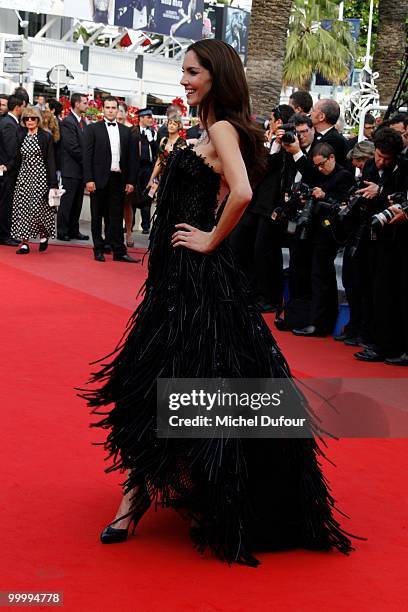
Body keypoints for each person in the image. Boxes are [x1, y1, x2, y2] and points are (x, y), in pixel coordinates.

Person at [83, 39, 353, 567]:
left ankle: (135, 498)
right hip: (173, 280)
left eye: (191, 72)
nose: (182, 80)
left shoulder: (224, 130)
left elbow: (244, 192)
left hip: (199, 283)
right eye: (182, 72)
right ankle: (144, 491)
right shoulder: (205, 129)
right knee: (164, 382)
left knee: (178, 382)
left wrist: (209, 238)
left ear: (216, 76)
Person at [291, 142, 355, 337]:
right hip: (313, 229)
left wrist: (324, 195)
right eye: (316, 165)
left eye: (322, 164)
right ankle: (314, 318)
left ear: (332, 158)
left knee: (321, 275)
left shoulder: (344, 176)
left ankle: (319, 322)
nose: (319, 169)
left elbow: (345, 204)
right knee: (314, 274)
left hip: (329, 232)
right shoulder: (317, 174)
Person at [83, 96, 140, 263]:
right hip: (98, 179)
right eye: (107, 107)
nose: (110, 110)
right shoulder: (93, 129)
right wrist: (89, 179)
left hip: (118, 179)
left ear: (118, 110)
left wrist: (131, 181)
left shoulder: (125, 131)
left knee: (115, 216)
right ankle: (98, 249)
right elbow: (87, 157)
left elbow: (132, 159)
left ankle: (118, 251)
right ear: (103, 109)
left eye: (113, 108)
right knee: (97, 215)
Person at [11, 106, 58, 254]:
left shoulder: (46, 136)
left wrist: (53, 184)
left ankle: (43, 234)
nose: (30, 121)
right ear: (24, 120)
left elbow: (51, 161)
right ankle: (24, 243)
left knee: (39, 209)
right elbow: (16, 158)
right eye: (27, 118)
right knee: (23, 209)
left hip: (40, 177)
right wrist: (6, 167)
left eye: (33, 118)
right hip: (24, 177)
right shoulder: (20, 135)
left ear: (38, 120)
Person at [57, 93, 89, 242]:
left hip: (80, 170)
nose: (86, 105)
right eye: (84, 102)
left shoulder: (82, 122)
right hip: (71, 169)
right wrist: (87, 161)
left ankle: (73, 230)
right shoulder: (68, 122)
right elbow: (72, 147)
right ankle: (63, 231)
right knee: (67, 202)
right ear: (76, 104)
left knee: (77, 203)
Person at [0, 95, 25, 247]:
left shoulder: (8, 122)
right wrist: (9, 166)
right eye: (24, 106)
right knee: (5, 204)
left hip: (7, 171)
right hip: (8, 172)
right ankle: (4, 235)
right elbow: (11, 150)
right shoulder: (9, 124)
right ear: (18, 107)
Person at [146, 115, 186, 193]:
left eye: (174, 124)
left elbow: (181, 166)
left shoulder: (182, 143)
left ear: (179, 126)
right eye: (170, 123)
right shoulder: (163, 140)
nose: (171, 126)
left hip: (174, 181)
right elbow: (159, 162)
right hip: (161, 179)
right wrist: (151, 179)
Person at [135, 108, 158, 234]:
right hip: (136, 168)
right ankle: (130, 224)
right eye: (148, 117)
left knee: (148, 196)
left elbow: (157, 152)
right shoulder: (133, 131)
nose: (151, 119)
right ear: (141, 118)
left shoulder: (153, 133)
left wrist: (152, 141)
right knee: (133, 195)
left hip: (148, 168)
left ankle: (146, 225)